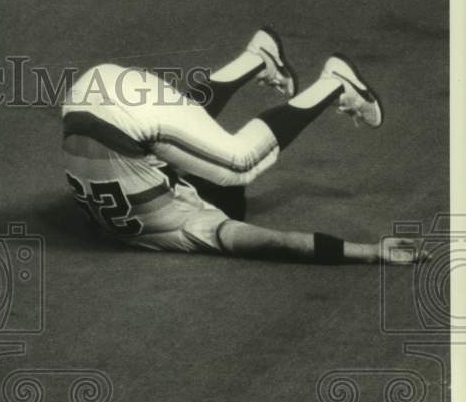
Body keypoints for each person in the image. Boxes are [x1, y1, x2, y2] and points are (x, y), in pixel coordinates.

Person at [60, 27, 424, 264]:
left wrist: (369, 252)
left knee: (239, 164)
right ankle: (257, 58)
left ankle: (335, 84)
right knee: (181, 127)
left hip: (120, 122)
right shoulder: (123, 224)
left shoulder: (191, 228)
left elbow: (277, 243)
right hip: (84, 96)